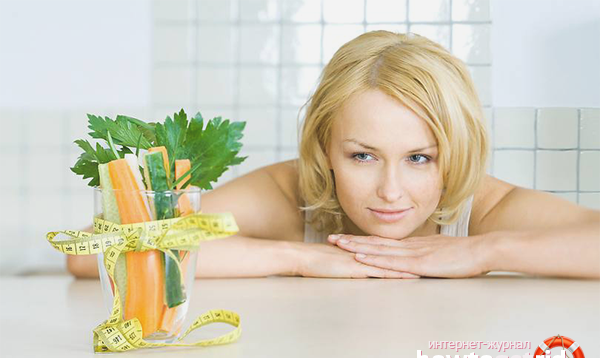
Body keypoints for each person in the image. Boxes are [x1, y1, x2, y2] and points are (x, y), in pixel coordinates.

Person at [67, 31, 599, 280]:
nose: (391, 191)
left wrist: (485, 251)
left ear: (455, 153)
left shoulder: (480, 209)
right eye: (363, 156)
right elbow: (92, 252)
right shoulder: (289, 194)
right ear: (325, 149)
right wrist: (297, 258)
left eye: (420, 159)